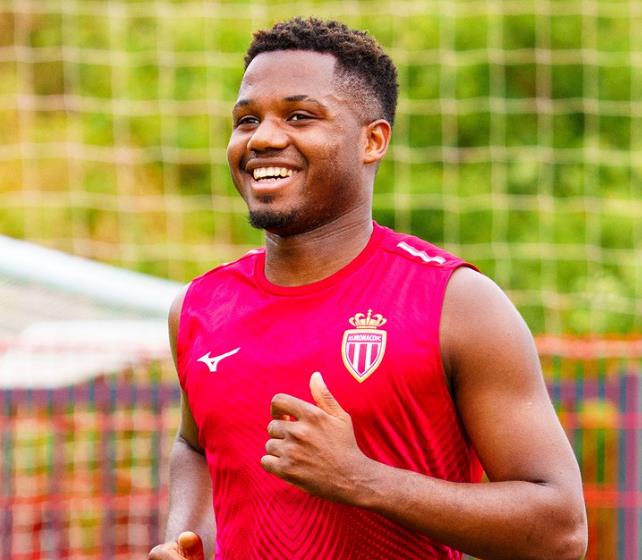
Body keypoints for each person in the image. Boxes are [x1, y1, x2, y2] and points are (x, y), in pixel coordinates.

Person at [148, 17, 587, 560]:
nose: (262, 138)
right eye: (247, 120)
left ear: (372, 140)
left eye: (299, 116)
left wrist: (362, 479)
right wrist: (185, 539)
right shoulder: (199, 307)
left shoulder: (456, 303)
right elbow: (196, 446)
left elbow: (562, 530)